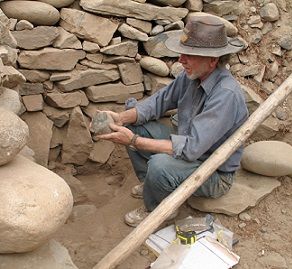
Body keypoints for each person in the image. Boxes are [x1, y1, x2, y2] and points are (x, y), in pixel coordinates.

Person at [96, 15, 249, 227]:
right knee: (133, 124)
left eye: (189, 55)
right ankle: (153, 185)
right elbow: (158, 103)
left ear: (213, 61)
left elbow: (191, 149)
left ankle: (159, 208)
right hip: (189, 153)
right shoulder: (190, 77)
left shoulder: (226, 95)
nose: (181, 60)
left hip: (213, 172)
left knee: (159, 165)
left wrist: (134, 141)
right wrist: (121, 118)